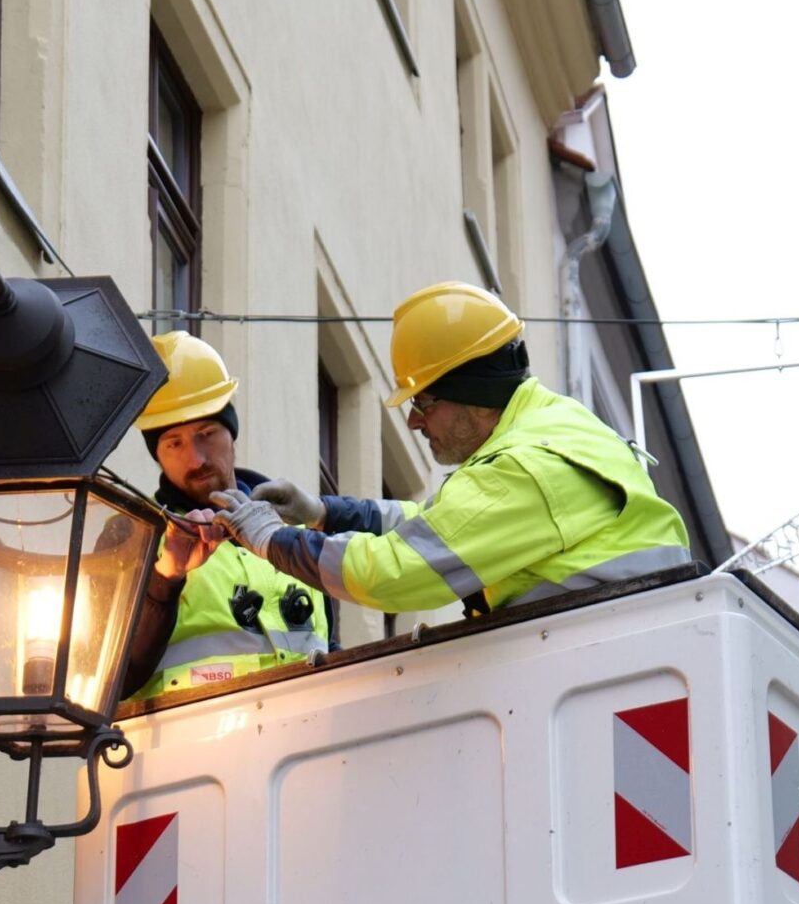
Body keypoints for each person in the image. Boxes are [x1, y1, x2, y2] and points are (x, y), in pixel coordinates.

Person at [206, 282, 694, 618]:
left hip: (609, 668)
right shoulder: (551, 428)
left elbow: (392, 572)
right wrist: (322, 513)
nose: (415, 420)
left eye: (423, 402)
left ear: (473, 396)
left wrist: (269, 538)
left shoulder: (524, 471)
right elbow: (436, 522)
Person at [115, 332, 330, 702]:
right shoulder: (131, 535)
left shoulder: (292, 528)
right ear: (158, 455)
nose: (195, 459)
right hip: (186, 751)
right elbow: (112, 678)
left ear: (232, 434)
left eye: (206, 434)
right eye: (174, 444)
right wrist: (165, 578)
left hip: (303, 745)